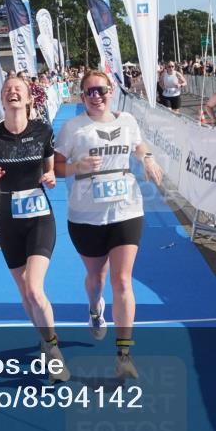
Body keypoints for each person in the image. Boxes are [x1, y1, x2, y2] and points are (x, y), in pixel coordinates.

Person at [54, 70, 164, 379]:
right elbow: (55, 167)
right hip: (85, 216)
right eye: (90, 91)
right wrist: (77, 166)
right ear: (82, 96)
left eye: (101, 89)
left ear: (111, 89)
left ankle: (124, 355)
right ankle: (94, 308)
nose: (97, 96)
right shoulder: (73, 129)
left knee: (123, 281)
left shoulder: (126, 121)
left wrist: (148, 158)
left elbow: (138, 145)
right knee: (96, 278)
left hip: (126, 210)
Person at [0, 74, 69, 382]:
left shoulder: (43, 131)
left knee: (35, 288)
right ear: (1, 97)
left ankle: (53, 350)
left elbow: (49, 168)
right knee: (24, 291)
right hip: (8, 219)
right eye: (8, 89)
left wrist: (49, 177)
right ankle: (44, 341)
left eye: (18, 89)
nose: (12, 92)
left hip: (39, 217)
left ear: (28, 99)